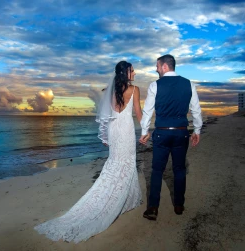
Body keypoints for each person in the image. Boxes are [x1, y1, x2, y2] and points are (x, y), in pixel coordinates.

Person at [34, 61, 143, 243]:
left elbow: (108, 116)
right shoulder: (135, 89)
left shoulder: (110, 91)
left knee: (115, 163)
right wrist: (147, 129)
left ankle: (128, 198)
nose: (135, 72)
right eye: (132, 70)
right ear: (126, 73)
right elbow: (138, 112)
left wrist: (107, 138)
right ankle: (121, 200)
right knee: (126, 162)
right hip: (125, 131)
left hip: (115, 131)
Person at [139, 54, 202, 220]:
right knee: (179, 169)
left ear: (165, 66)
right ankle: (179, 205)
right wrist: (197, 130)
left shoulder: (155, 85)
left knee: (157, 170)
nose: (156, 69)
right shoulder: (189, 84)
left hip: (162, 132)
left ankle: (153, 208)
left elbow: (148, 111)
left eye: (157, 66)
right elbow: (195, 109)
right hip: (181, 132)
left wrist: (144, 132)